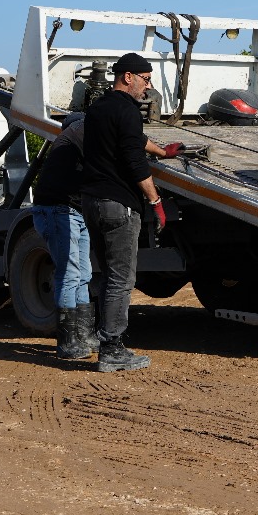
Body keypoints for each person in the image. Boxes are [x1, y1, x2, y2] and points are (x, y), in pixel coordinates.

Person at [78, 52, 184, 372]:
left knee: (106, 275)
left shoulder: (97, 109)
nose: (147, 87)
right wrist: (155, 202)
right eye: (146, 79)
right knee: (121, 278)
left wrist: (163, 150)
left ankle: (99, 337)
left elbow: (132, 139)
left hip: (91, 202)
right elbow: (133, 160)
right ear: (128, 77)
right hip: (118, 205)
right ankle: (112, 349)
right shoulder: (127, 109)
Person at [30, 112, 96, 361]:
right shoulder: (71, 143)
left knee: (84, 274)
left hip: (72, 211)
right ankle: (67, 341)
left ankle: (83, 335)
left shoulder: (69, 146)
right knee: (69, 273)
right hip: (57, 211)